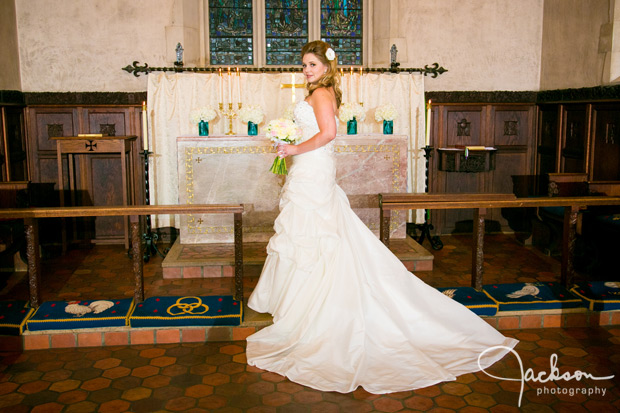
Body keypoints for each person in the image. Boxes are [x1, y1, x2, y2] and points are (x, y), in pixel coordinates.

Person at [246, 40, 518, 394]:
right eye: (304, 64)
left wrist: (293, 146)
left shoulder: (323, 93)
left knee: (317, 236)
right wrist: (292, 142)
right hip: (309, 170)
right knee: (312, 236)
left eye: (312, 64)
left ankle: (317, 315)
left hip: (312, 171)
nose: (307, 70)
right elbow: (317, 132)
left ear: (327, 68)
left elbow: (329, 134)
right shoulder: (320, 93)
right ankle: (305, 309)